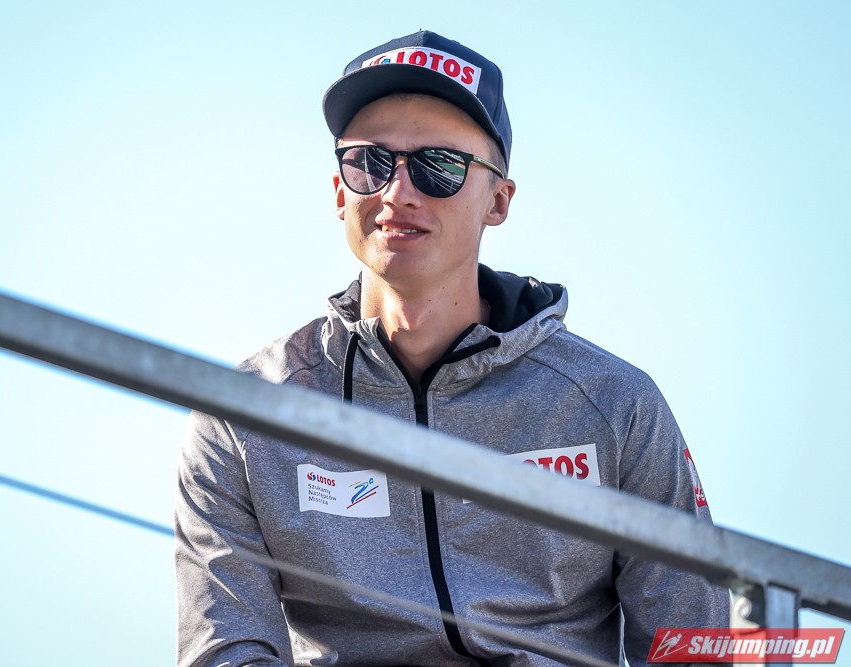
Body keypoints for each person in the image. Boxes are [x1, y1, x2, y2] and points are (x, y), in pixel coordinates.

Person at [175, 30, 729, 666]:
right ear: (339, 192)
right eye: (369, 162)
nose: (396, 193)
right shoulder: (246, 413)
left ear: (498, 200)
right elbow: (225, 654)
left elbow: (693, 645)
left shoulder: (613, 403)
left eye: (439, 166)